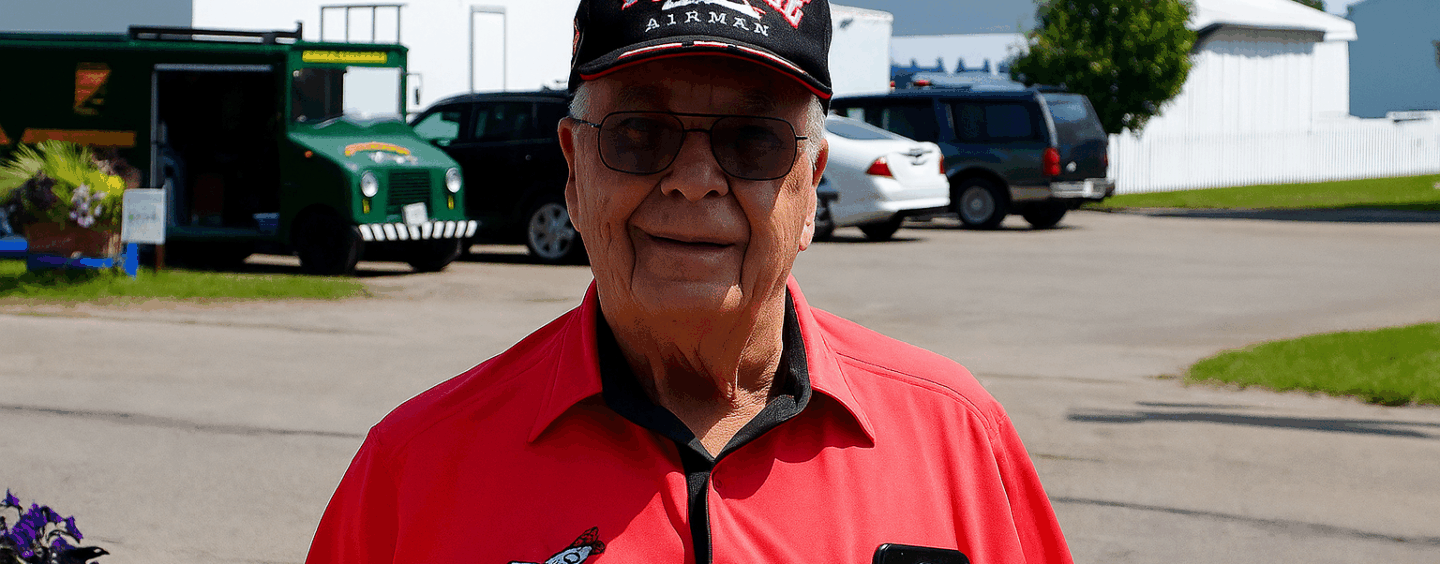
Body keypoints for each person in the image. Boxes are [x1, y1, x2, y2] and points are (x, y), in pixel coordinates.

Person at [305, 1, 1073, 563]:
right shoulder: (412, 472)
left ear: (808, 188)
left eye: (752, 139)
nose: (695, 180)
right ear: (574, 172)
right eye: (640, 134)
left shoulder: (957, 438)